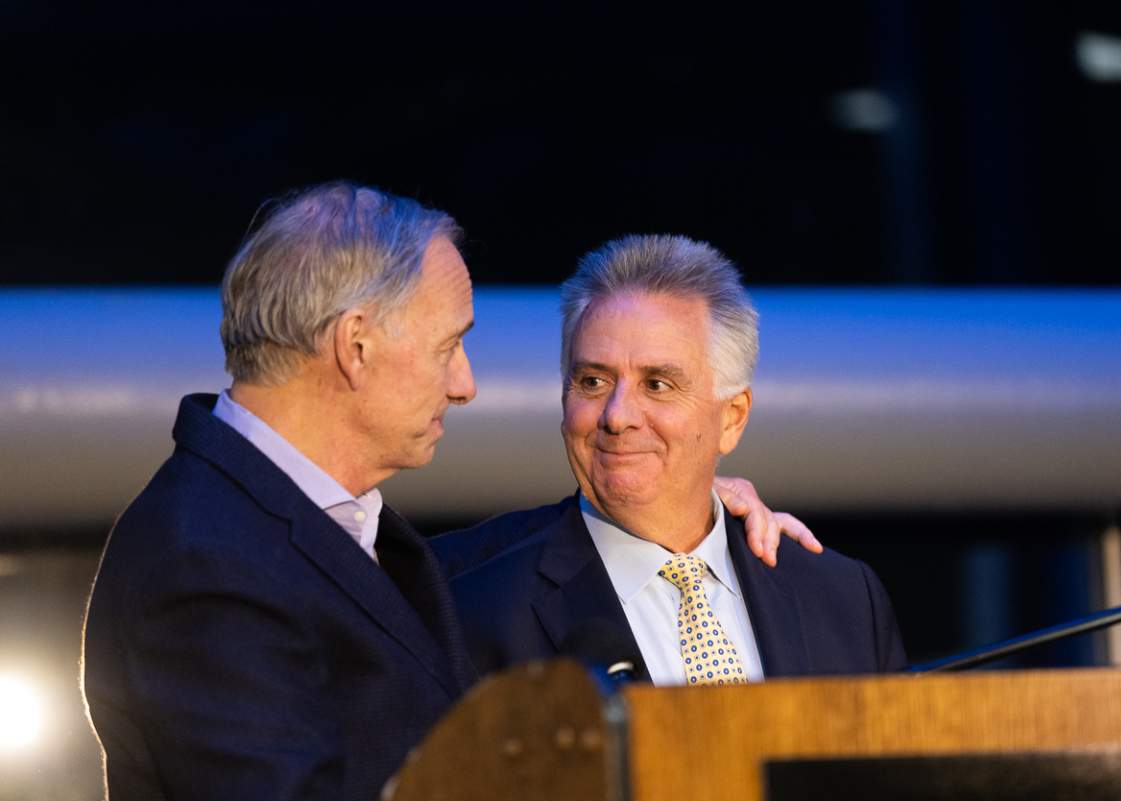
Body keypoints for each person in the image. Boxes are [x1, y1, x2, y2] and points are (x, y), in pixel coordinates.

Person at [81, 183, 819, 801]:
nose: (464, 384)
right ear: (356, 345)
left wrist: (681, 508)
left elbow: (429, 581)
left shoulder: (291, 517)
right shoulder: (208, 564)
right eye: (448, 345)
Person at [440, 235, 906, 684]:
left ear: (732, 418)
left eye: (657, 385)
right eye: (593, 382)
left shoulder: (843, 599)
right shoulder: (471, 608)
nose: (617, 416)